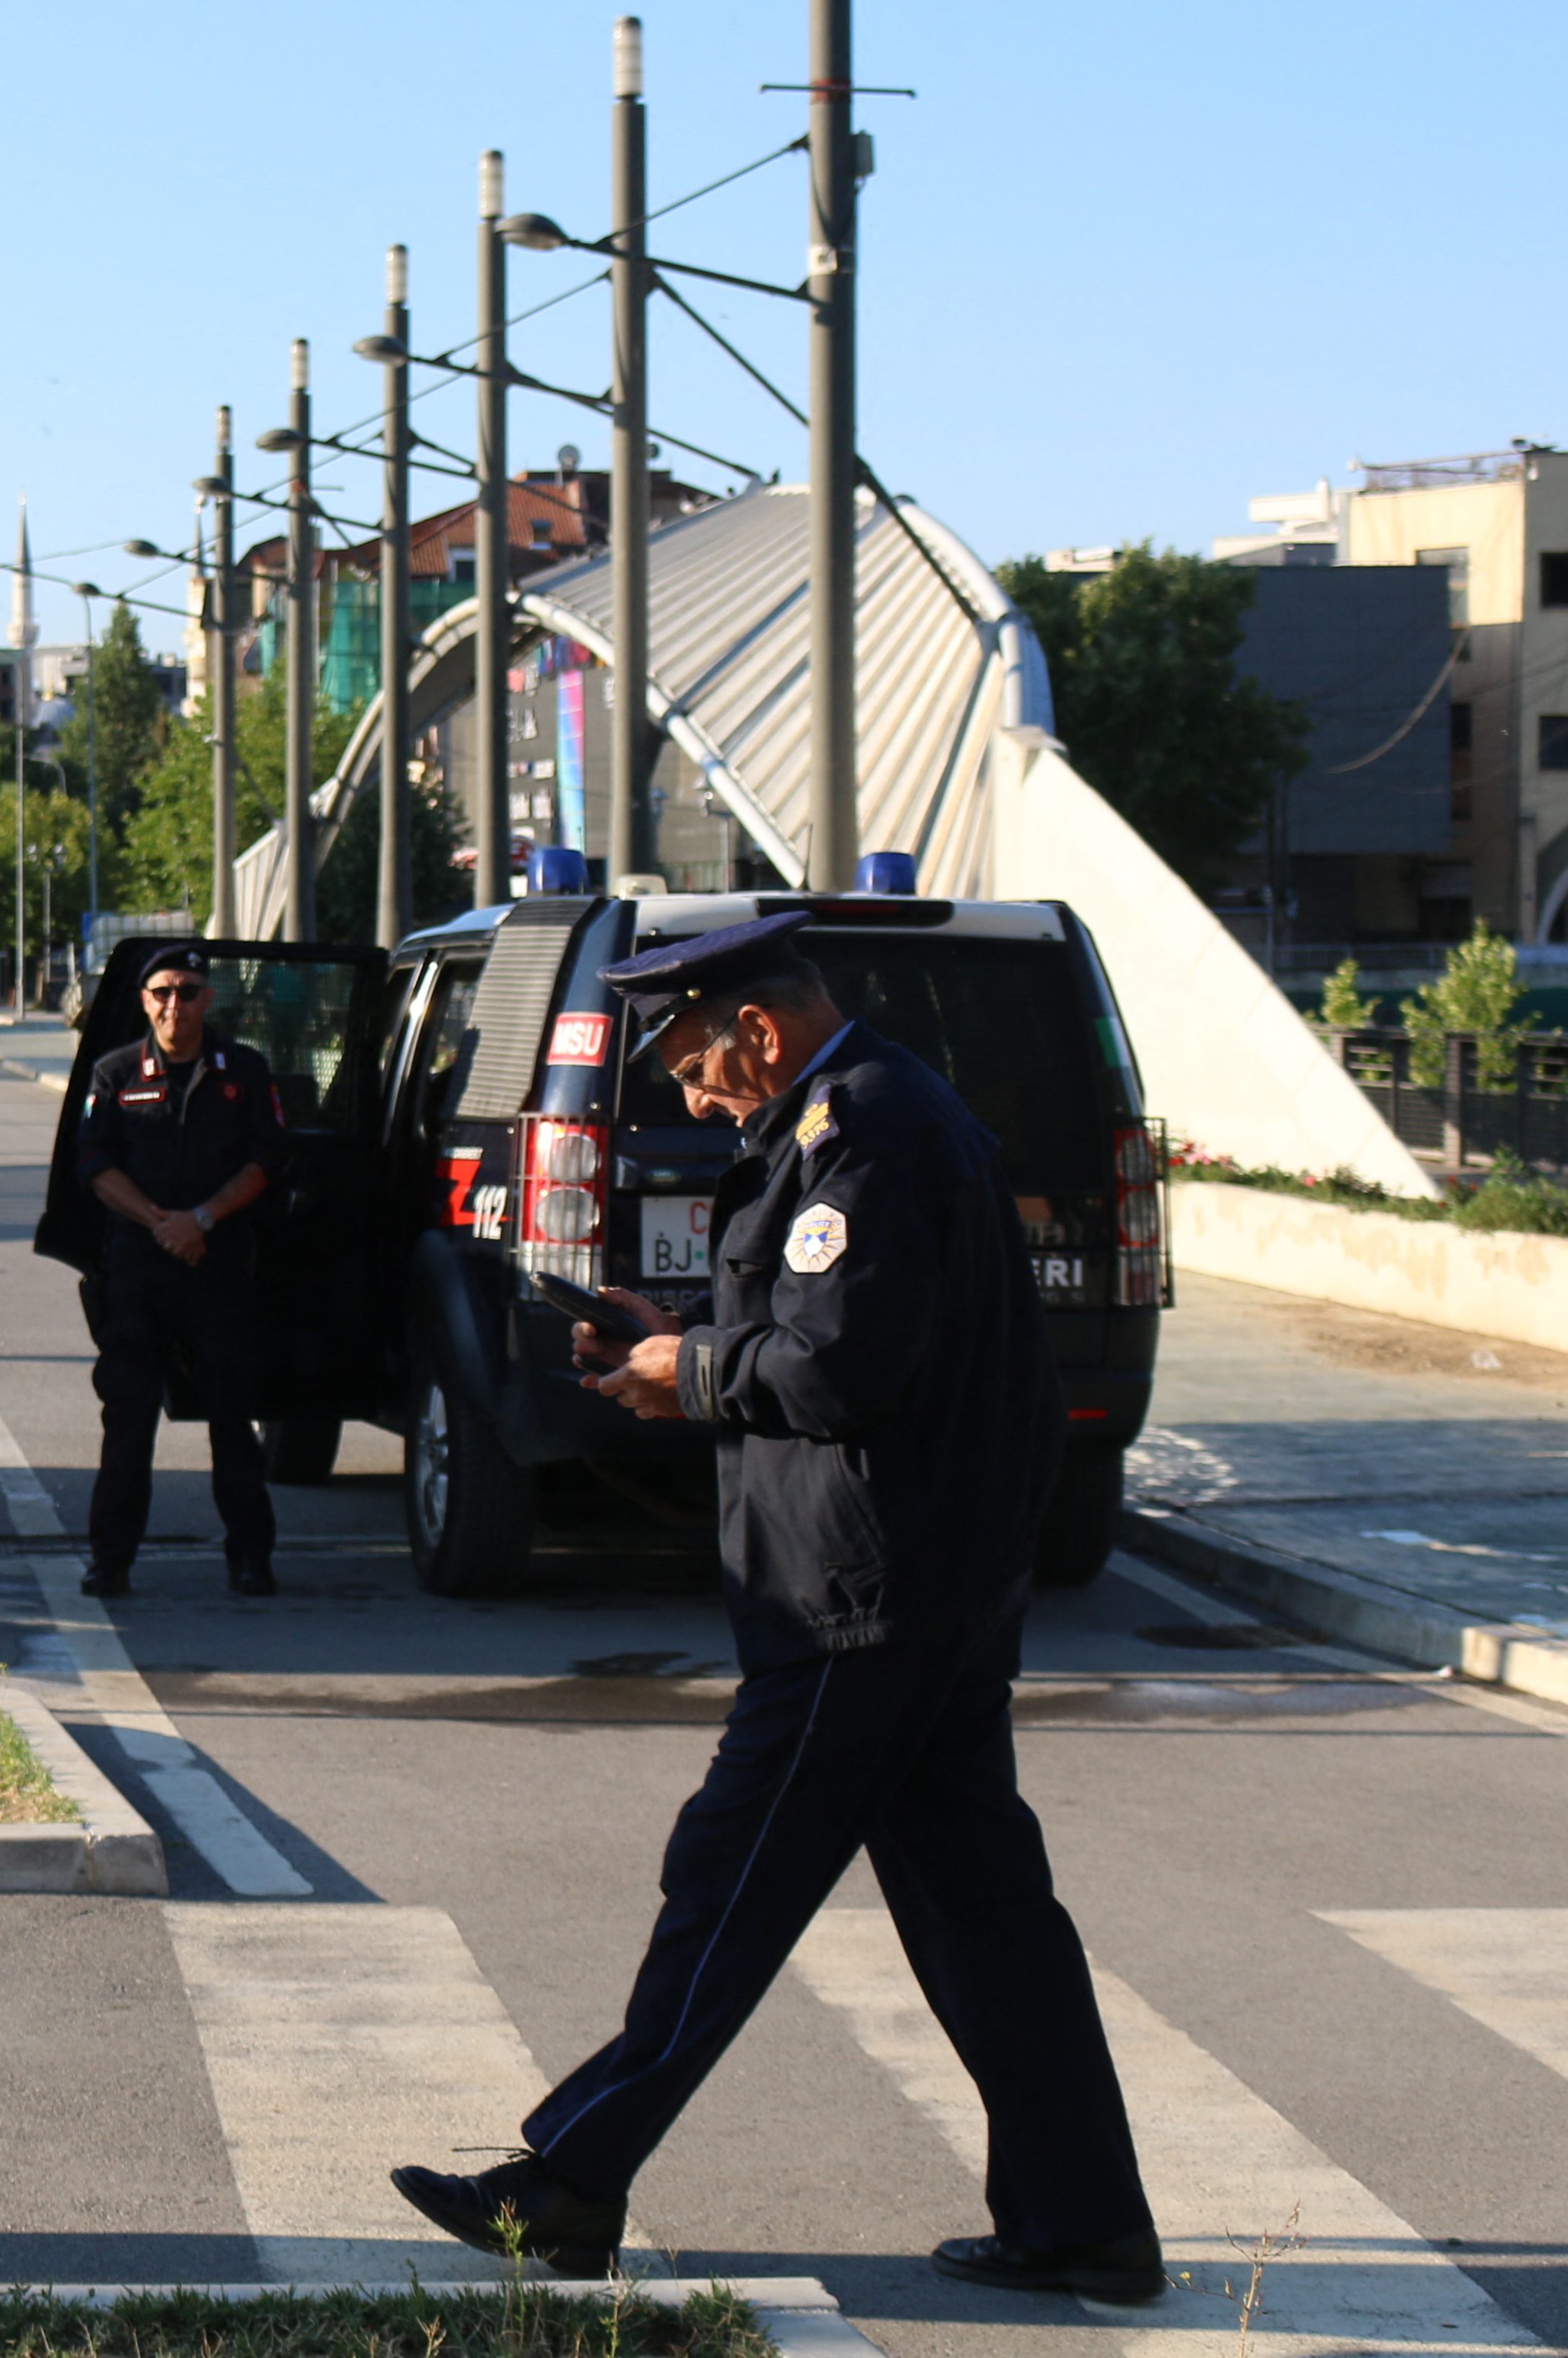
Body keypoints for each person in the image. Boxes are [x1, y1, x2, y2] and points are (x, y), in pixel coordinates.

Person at [385, 912, 1159, 2303]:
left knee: (726, 1882)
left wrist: (686, 1373)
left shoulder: (863, 1136)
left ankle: (568, 2180)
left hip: (860, 1596)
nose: (682, 1097)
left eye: (686, 1064)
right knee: (986, 1918)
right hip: (917, 1582)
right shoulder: (846, 1123)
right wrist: (664, 1331)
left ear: (757, 1027)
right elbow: (812, 1325)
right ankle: (1082, 2215)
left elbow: (834, 1372)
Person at [74, 945, 286, 1600]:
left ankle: (251, 1559)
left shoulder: (245, 1072)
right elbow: (95, 1167)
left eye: (189, 991)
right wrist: (163, 1225)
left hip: (216, 1267)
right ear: (145, 1001)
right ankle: (110, 1561)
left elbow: (265, 1161)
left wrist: (203, 1220)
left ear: (209, 999)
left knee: (232, 1419)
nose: (176, 1005)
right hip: (139, 1273)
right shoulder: (114, 1074)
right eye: (163, 992)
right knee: (128, 1421)